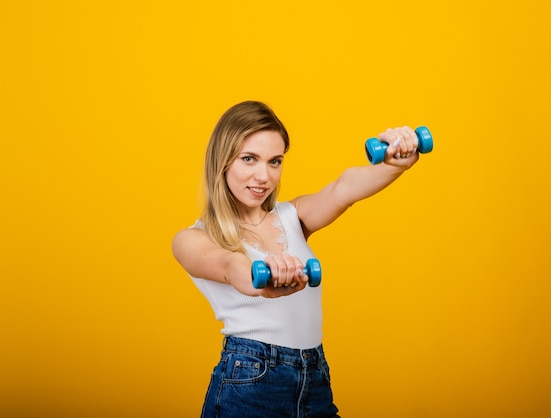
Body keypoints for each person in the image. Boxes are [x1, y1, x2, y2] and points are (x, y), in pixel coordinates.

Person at [172, 100, 421, 418]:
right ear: (222, 161)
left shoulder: (294, 216)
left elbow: (343, 189)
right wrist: (264, 280)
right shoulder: (193, 239)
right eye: (249, 159)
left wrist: (398, 162)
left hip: (314, 376)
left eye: (274, 161)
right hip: (250, 381)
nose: (263, 175)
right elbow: (230, 267)